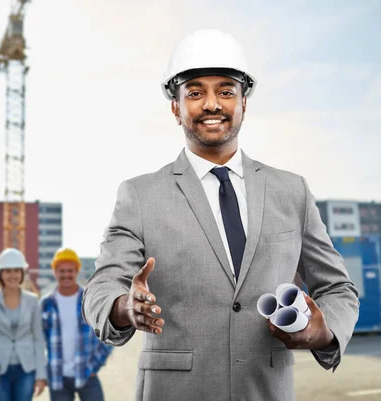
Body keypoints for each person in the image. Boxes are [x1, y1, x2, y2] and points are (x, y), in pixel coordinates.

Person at [82, 29, 360, 401]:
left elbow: (338, 288)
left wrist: (324, 331)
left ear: (244, 102)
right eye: (195, 92)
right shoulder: (139, 195)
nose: (211, 104)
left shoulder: (291, 191)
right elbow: (101, 288)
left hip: (266, 391)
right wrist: (122, 307)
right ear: (176, 107)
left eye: (226, 91)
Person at [40, 248, 113, 401]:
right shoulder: (46, 304)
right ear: (55, 272)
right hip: (58, 377)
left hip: (87, 374)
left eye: (70, 271)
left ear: (77, 271)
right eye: (62, 271)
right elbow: (38, 340)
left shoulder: (91, 301)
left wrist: (95, 364)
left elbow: (109, 333)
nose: (66, 275)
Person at [0, 248, 47, 401]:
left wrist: (41, 375)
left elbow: (38, 339)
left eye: (16, 270)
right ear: (0, 273)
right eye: (7, 271)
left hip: (26, 369)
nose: (12, 275)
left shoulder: (33, 301)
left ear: (22, 273)